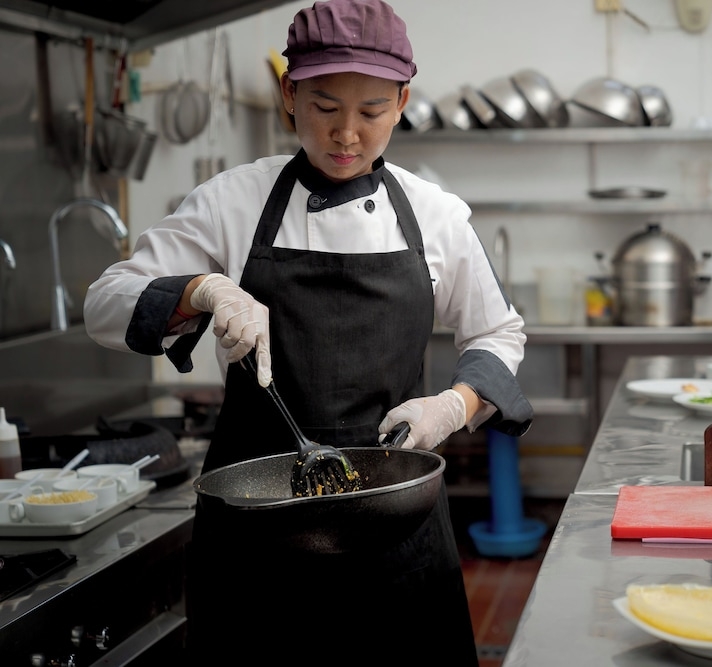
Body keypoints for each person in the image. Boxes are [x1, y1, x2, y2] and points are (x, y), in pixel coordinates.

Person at [84, 0, 532, 663]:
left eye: (372, 111)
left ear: (403, 100)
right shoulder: (231, 201)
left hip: (397, 520)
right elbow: (104, 303)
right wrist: (199, 289)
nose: (346, 133)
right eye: (324, 107)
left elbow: (498, 333)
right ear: (290, 95)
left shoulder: (435, 214)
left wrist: (452, 407)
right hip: (256, 528)